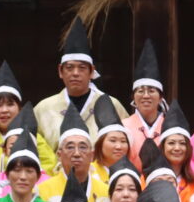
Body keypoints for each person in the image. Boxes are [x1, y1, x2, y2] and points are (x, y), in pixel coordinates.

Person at [35, 17, 128, 158]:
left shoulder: (111, 105)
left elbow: (125, 146)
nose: (75, 73)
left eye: (82, 68)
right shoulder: (43, 108)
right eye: (70, 68)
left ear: (91, 71)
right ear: (60, 71)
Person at [121, 39, 168, 161]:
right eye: (140, 91)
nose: (146, 96)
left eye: (151, 91)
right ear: (133, 97)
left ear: (161, 97)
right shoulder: (123, 127)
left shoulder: (169, 126)